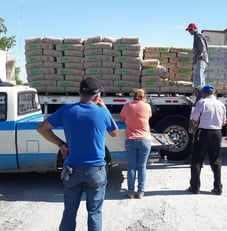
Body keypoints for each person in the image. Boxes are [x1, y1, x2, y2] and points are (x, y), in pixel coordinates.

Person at [37, 77, 119, 231]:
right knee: (94, 213)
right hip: (96, 170)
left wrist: (61, 144)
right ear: (98, 96)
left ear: (80, 93)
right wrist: (105, 109)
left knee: (69, 212)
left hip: (72, 169)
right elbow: (114, 132)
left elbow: (42, 128)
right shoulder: (102, 113)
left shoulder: (67, 110)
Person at [187, 85, 226, 195]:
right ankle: (218, 187)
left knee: (197, 160)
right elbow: (223, 123)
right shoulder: (221, 104)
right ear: (213, 93)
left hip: (204, 132)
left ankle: (195, 187)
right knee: (216, 160)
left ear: (203, 93)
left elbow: (194, 120)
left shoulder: (202, 103)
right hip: (217, 133)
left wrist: (194, 126)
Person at [120, 88, 152, 199]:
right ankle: (141, 192)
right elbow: (149, 117)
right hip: (145, 140)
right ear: (143, 97)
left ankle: (130, 192)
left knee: (132, 167)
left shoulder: (127, 106)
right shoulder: (147, 107)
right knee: (142, 167)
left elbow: (122, 120)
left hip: (131, 139)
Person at [186, 23, 209, 88]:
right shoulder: (198, 35)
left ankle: (198, 92)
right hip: (204, 59)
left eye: (190, 30)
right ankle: (202, 91)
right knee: (202, 77)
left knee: (198, 76)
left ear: (194, 28)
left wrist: (200, 54)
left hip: (201, 58)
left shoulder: (198, 35)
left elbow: (202, 46)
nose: (189, 32)